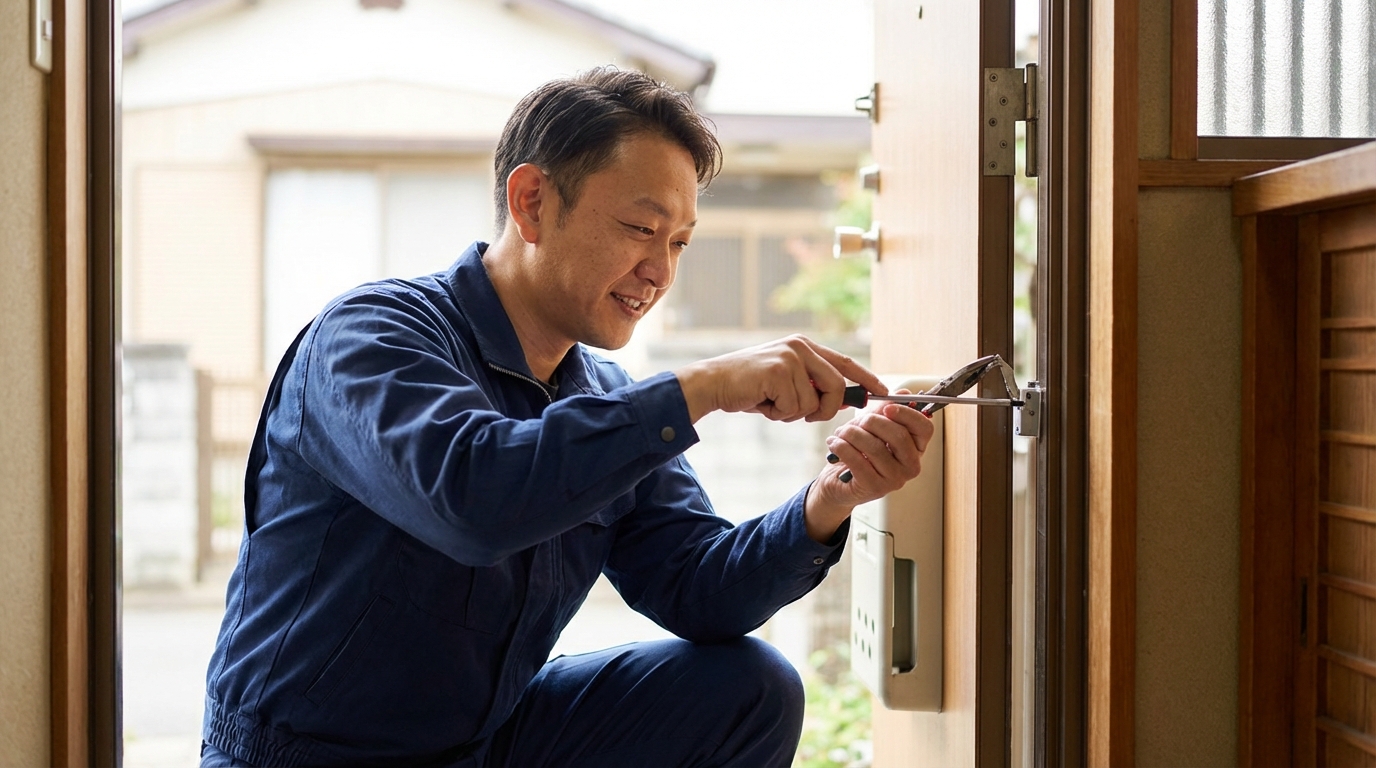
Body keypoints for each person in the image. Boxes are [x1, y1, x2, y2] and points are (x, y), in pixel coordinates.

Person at [200, 67, 934, 768]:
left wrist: (828, 499)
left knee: (749, 691)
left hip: (480, 749)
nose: (661, 272)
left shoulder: (600, 396)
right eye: (640, 229)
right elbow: (475, 497)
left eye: (678, 242)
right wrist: (704, 386)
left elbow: (699, 589)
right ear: (532, 204)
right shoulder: (370, 336)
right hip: (308, 756)